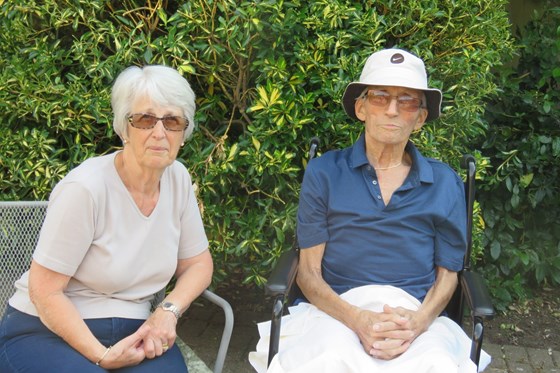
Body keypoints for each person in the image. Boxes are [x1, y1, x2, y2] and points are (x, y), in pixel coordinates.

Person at [249, 48, 490, 372]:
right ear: (361, 108)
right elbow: (308, 272)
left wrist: (417, 324)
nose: (392, 110)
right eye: (380, 97)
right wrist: (357, 319)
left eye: (406, 101)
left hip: (413, 314)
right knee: (327, 361)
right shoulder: (325, 172)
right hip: (336, 311)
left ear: (420, 118)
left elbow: (448, 276)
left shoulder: (444, 182)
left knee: (438, 364)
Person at [0, 65, 213, 372]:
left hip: (136, 331)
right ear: (124, 128)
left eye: (172, 121)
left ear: (184, 133)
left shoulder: (177, 179)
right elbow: (44, 291)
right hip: (47, 332)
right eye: (145, 119)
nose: (159, 132)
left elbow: (198, 264)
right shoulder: (85, 189)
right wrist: (101, 356)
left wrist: (168, 311)